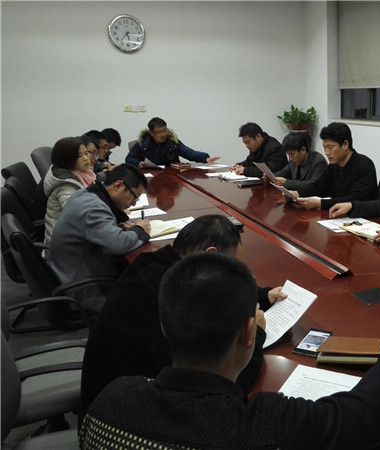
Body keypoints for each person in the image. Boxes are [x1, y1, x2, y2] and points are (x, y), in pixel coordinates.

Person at [80, 252, 380, 449]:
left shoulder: (112, 396)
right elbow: (362, 417)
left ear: (164, 327)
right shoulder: (261, 427)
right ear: (249, 333)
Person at [79, 214, 287, 424]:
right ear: (211, 255)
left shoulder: (157, 267)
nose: (231, 275)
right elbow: (224, 384)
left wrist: (261, 296)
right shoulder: (170, 300)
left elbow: (216, 286)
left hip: (107, 403)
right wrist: (257, 334)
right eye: (231, 266)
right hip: (124, 421)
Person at [48, 164, 150, 316]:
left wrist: (120, 227)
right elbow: (118, 245)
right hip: (85, 288)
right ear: (118, 186)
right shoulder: (92, 207)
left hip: (76, 272)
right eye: (135, 196)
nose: (134, 203)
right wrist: (140, 230)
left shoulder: (87, 194)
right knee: (150, 292)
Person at [293, 122, 378, 210]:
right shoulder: (334, 166)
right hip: (337, 214)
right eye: (324, 148)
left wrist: (322, 204)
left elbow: (357, 198)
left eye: (330, 147)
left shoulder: (364, 165)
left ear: (345, 144)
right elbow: (319, 186)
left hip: (363, 216)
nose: (327, 152)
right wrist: (297, 194)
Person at [43, 137, 97, 242]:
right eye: (79, 156)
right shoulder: (66, 187)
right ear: (67, 159)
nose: (86, 158)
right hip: (65, 244)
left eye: (86, 153)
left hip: (76, 235)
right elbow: (81, 216)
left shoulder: (84, 174)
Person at [126, 117, 220, 168]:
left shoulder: (172, 142)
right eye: (159, 132)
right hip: (151, 176)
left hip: (170, 175)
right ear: (151, 133)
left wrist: (205, 158)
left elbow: (189, 153)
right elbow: (129, 158)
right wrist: (138, 163)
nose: (163, 134)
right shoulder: (143, 144)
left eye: (165, 130)